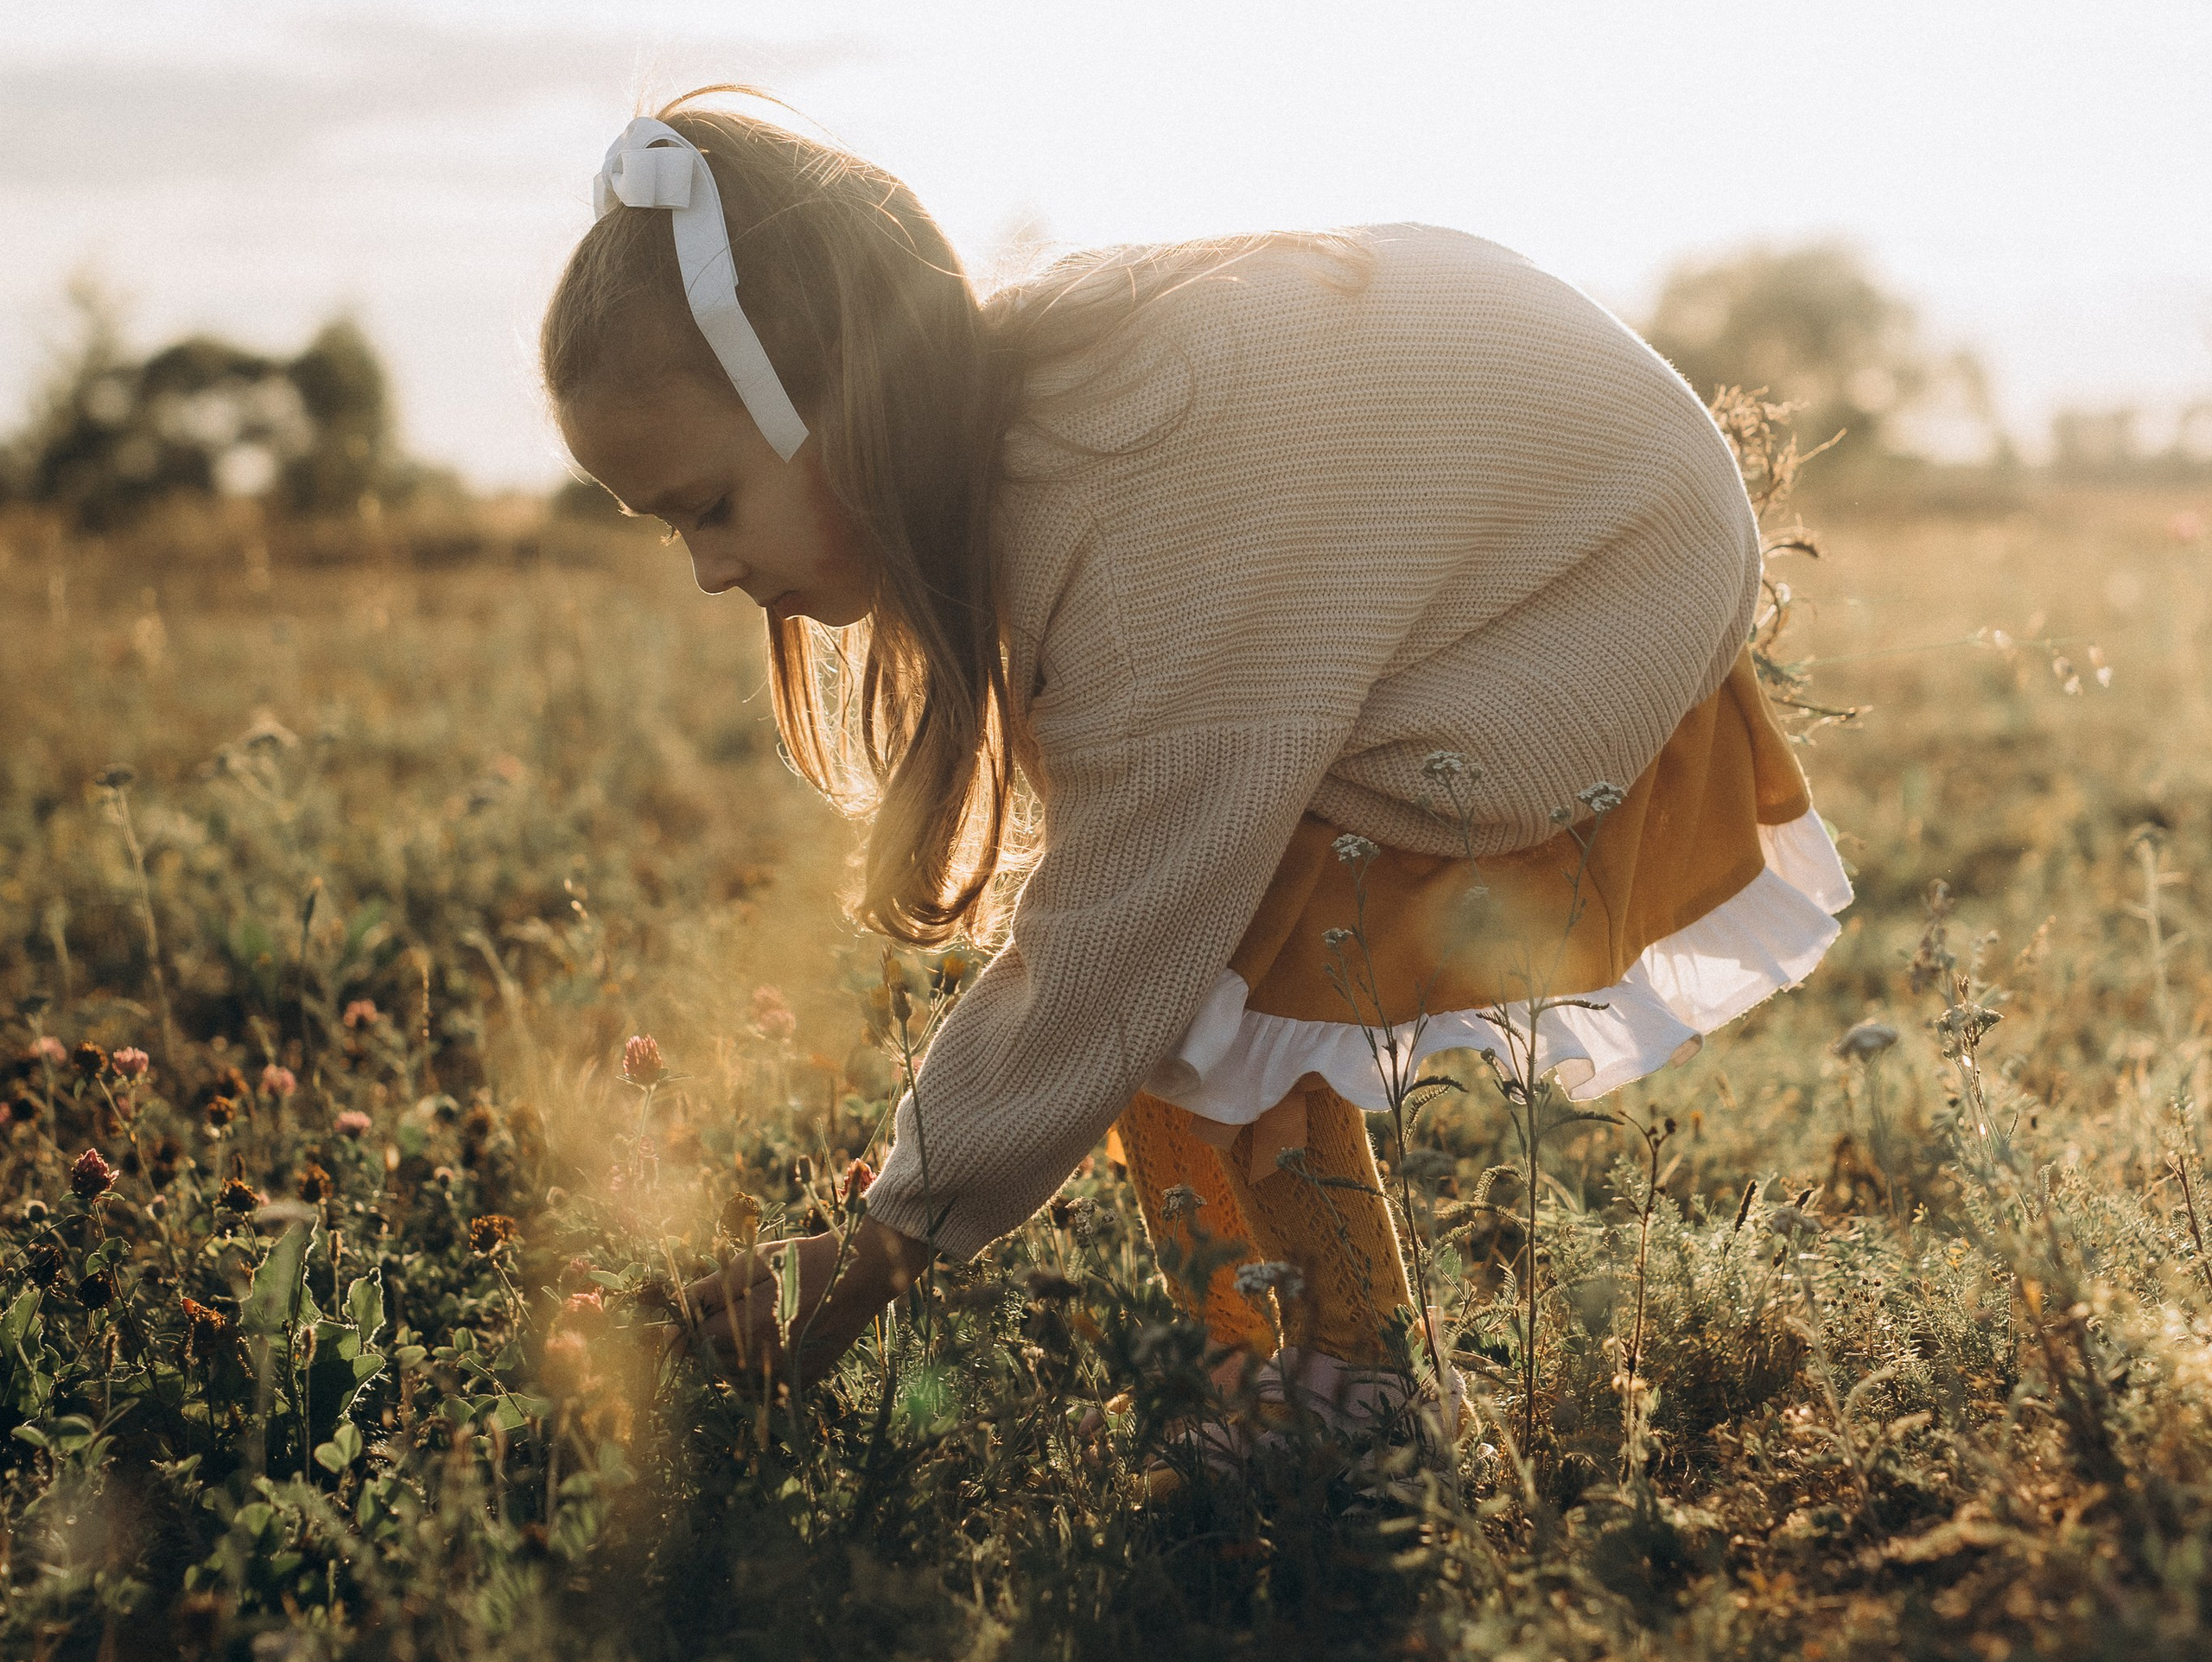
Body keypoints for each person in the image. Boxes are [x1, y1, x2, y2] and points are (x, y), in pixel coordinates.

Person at [543, 96, 1849, 1437]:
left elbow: (1111, 954)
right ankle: (1308, 1373)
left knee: (1181, 966)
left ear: (840, 402)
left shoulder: (1123, 538)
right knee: (1193, 959)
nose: (709, 571)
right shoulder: (1034, 429)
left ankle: (1337, 1396)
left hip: (1589, 596)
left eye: (711, 505)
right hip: (1560, 553)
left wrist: (885, 1251)